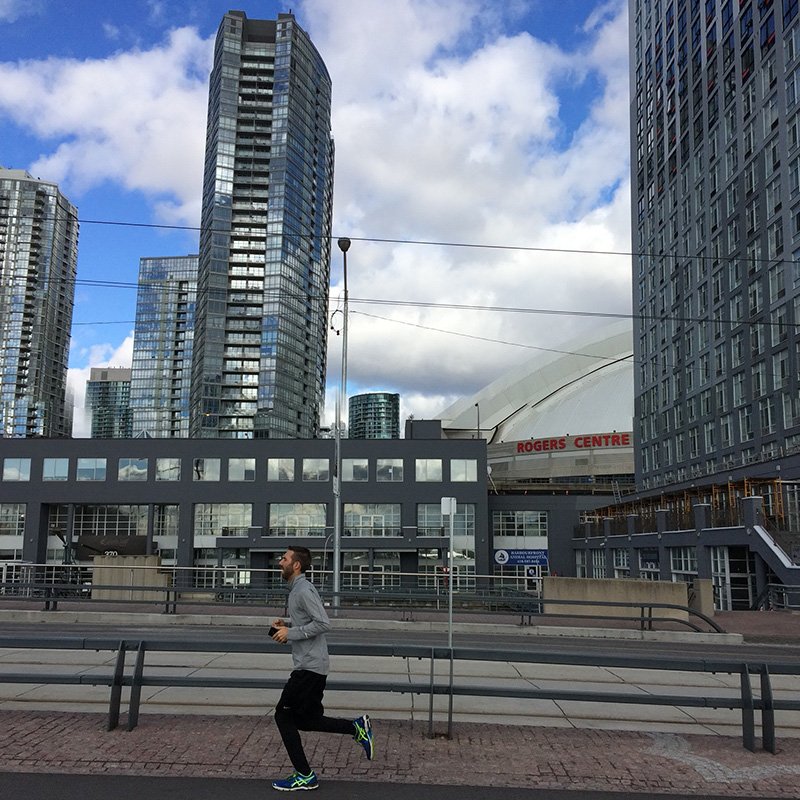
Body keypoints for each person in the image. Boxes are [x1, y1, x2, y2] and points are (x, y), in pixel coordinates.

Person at [269, 546, 374, 791]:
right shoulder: (296, 590)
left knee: (283, 716)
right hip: (311, 666)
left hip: (309, 668)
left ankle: (304, 775)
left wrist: (291, 632)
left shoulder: (303, 590)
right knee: (306, 720)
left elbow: (323, 623)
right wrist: (285, 627)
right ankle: (355, 727)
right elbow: (307, 624)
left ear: (296, 565)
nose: (279, 562)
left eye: (284, 559)